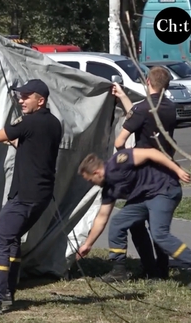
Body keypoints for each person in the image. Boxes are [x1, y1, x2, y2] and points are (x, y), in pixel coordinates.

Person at [0, 79, 62, 314]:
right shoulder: (53, 123)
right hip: (42, 195)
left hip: (25, 195)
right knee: (12, 239)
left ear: (41, 100)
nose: (21, 100)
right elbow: (32, 146)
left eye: (27, 97)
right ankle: (6, 292)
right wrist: (16, 142)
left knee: (0, 241)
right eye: (20, 96)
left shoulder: (30, 122)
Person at [105, 66, 178, 281]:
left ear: (147, 81)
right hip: (166, 174)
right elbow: (141, 116)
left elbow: (120, 141)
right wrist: (125, 98)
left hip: (146, 177)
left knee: (136, 224)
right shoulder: (170, 107)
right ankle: (158, 270)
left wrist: (126, 160)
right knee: (153, 228)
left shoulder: (142, 109)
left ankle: (140, 268)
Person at [75, 149, 191, 278]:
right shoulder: (109, 189)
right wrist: (88, 244)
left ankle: (180, 262)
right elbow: (102, 217)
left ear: (96, 173)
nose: (92, 184)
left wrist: (178, 170)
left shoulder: (119, 161)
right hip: (143, 198)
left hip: (162, 190)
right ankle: (123, 270)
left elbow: (151, 153)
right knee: (119, 222)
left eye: (91, 180)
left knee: (159, 234)